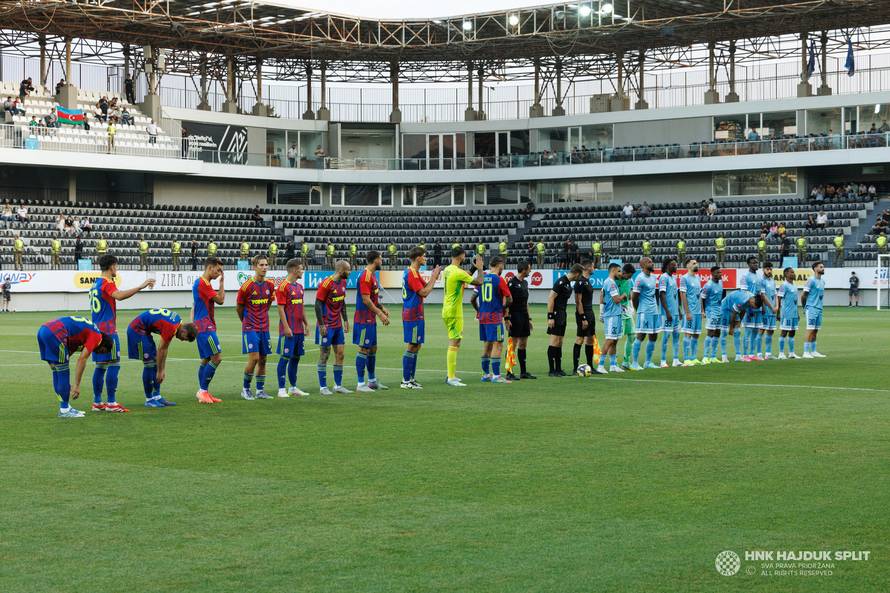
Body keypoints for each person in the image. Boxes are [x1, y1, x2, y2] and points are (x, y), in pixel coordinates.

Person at [90, 254, 155, 412]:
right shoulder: (107, 283)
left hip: (96, 330)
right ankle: (111, 403)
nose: (116, 269)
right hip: (108, 331)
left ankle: (97, 402)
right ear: (112, 266)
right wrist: (140, 286)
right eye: (116, 266)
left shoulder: (95, 284)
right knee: (114, 364)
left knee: (100, 365)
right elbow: (118, 296)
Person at [36, 316, 114, 418]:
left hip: (43, 329)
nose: (98, 353)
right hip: (55, 333)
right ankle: (64, 410)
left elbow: (70, 349)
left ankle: (65, 406)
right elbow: (82, 359)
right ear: (103, 344)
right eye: (102, 351)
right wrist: (76, 385)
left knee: (56, 370)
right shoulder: (97, 336)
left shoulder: (88, 332)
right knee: (63, 371)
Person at [126, 309, 197, 407]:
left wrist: (162, 369)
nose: (182, 340)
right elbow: (161, 349)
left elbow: (164, 349)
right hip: (137, 330)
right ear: (184, 331)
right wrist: (160, 371)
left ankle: (157, 396)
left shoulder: (177, 322)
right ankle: (149, 399)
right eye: (185, 338)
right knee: (149, 363)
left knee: (155, 360)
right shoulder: (171, 327)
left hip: (144, 330)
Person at [441, 247, 484, 387]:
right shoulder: (458, 272)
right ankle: (451, 377)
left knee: (456, 341)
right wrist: (481, 268)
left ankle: (451, 374)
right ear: (461, 256)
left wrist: (473, 267)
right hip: (453, 311)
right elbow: (479, 282)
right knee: (454, 342)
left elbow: (465, 275)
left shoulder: (448, 270)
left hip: (448, 308)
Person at [400, 247, 441, 389]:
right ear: (417, 258)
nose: (425, 258)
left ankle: (410, 378)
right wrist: (434, 277)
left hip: (416, 311)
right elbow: (424, 292)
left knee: (417, 345)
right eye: (424, 256)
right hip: (412, 313)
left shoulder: (414, 272)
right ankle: (405, 381)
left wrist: (433, 278)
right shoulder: (411, 273)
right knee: (412, 345)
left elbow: (426, 290)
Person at [237, 255, 276, 400]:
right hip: (250, 326)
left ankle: (260, 390)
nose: (264, 267)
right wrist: (245, 321)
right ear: (254, 267)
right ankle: (245, 389)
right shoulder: (246, 286)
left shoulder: (270, 285)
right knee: (254, 358)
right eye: (261, 265)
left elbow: (268, 304)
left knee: (264, 359)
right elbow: (239, 307)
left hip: (264, 327)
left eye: (266, 265)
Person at [470, 256, 513, 384]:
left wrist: (479, 310)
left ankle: (485, 374)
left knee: (487, 344)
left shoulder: (482, 278)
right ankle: (496, 375)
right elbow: (510, 299)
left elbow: (472, 299)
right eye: (503, 265)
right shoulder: (499, 279)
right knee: (498, 344)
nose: (503, 268)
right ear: (499, 265)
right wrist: (502, 307)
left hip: (483, 316)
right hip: (494, 316)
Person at [353, 251, 390, 392]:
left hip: (370, 318)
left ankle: (372, 381)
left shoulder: (372, 276)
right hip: (363, 319)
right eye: (381, 258)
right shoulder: (366, 276)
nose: (382, 261)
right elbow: (366, 300)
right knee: (363, 348)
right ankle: (360, 384)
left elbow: (372, 299)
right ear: (375, 260)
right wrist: (380, 314)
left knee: (372, 348)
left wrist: (381, 307)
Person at [275, 259, 310, 397]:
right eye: (301, 269)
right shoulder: (283, 286)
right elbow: (280, 309)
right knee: (285, 358)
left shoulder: (300, 287)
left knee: (296, 358)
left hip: (299, 330)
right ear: (295, 270)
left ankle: (293, 387)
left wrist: (306, 324)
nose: (302, 271)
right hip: (288, 331)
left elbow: (301, 307)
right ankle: (281, 389)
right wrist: (286, 327)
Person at [315, 260, 352, 395]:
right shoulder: (326, 284)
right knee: (324, 354)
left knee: (340, 354)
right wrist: (321, 324)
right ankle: (323, 387)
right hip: (327, 325)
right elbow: (318, 304)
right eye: (348, 269)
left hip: (337, 325)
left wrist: (346, 319)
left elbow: (342, 301)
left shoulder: (343, 282)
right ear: (341, 270)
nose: (350, 272)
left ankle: (338, 386)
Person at [193, 257, 225, 404]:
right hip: (205, 327)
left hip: (203, 325)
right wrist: (222, 283)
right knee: (217, 358)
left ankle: (203, 392)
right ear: (210, 267)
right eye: (218, 270)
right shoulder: (202, 283)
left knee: (206, 359)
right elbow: (221, 300)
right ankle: (203, 391)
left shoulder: (204, 284)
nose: (219, 273)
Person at [547, 264, 583, 376]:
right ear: (577, 273)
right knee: (554, 341)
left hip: (563, 314)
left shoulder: (568, 283)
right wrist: (550, 316)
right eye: (580, 274)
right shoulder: (561, 282)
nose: (580, 277)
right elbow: (551, 298)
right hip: (556, 314)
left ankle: (558, 368)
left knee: (559, 342)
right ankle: (551, 370)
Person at [629, 257, 661, 370]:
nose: (652, 263)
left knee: (654, 336)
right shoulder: (640, 278)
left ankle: (648, 362)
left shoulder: (653, 277)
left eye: (652, 261)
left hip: (654, 311)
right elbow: (634, 297)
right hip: (644, 311)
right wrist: (639, 311)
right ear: (642, 265)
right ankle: (634, 363)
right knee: (641, 336)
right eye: (649, 262)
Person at [597, 263, 628, 374]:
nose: (620, 273)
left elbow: (602, 296)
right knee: (610, 340)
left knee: (614, 341)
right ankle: (600, 365)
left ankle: (613, 365)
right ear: (613, 270)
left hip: (616, 314)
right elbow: (616, 300)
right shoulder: (611, 283)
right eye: (619, 271)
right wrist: (624, 296)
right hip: (611, 316)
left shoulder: (609, 282)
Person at [572, 260, 599, 374]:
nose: (594, 268)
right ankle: (575, 368)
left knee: (590, 339)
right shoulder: (580, 282)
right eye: (593, 266)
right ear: (588, 268)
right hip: (583, 314)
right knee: (580, 338)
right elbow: (578, 302)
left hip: (590, 312)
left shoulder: (587, 281)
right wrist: (583, 318)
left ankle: (590, 366)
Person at [721, 289, 761, 360]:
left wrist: (740, 321)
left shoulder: (751, 298)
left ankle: (738, 356)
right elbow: (733, 313)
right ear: (753, 301)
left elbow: (743, 310)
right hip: (726, 308)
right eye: (753, 306)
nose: (752, 307)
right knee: (724, 332)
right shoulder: (742, 300)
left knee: (738, 331)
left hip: (735, 308)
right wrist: (731, 328)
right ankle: (724, 356)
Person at [658, 257, 682, 368]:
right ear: (668, 265)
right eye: (674, 265)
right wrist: (667, 312)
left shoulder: (673, 278)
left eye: (676, 265)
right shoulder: (663, 277)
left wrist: (679, 310)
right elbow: (662, 295)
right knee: (666, 335)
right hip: (667, 313)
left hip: (675, 313)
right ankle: (663, 360)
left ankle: (676, 359)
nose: (676, 266)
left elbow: (675, 295)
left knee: (676, 336)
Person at [740, 257, 764, 361]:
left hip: (757, 309)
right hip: (749, 308)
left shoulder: (759, 277)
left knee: (755, 332)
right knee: (748, 332)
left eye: (757, 262)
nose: (756, 264)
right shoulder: (745, 277)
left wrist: (762, 306)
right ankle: (744, 355)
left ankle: (752, 354)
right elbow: (744, 294)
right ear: (748, 264)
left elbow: (760, 294)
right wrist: (747, 308)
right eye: (753, 263)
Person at [679, 258, 703, 365]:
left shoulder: (697, 278)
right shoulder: (684, 278)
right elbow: (683, 295)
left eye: (696, 263)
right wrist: (687, 312)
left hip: (698, 312)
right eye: (693, 263)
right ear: (688, 265)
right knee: (688, 334)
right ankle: (686, 358)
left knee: (696, 334)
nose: (696, 265)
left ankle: (693, 357)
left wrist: (702, 310)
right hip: (690, 311)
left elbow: (700, 295)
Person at [801, 260, 826, 358]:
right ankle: (805, 352)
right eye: (821, 267)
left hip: (819, 308)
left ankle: (814, 351)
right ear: (815, 269)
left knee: (815, 330)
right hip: (811, 308)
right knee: (810, 329)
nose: (823, 268)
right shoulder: (811, 280)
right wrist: (805, 307)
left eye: (823, 267)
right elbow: (803, 295)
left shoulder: (823, 281)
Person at [701, 266, 725, 363]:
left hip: (719, 310)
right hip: (711, 310)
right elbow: (702, 298)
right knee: (710, 332)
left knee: (718, 332)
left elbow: (722, 295)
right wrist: (703, 311)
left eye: (720, 272)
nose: (720, 274)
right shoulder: (708, 285)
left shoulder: (721, 283)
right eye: (718, 273)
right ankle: (705, 357)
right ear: (713, 274)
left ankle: (713, 356)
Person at [776, 267, 799, 359]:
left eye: (794, 272)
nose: (793, 274)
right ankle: (781, 353)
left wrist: (797, 313)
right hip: (786, 313)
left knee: (792, 332)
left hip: (793, 314)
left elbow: (795, 301)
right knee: (784, 332)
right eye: (791, 272)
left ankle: (791, 353)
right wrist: (778, 312)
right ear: (786, 274)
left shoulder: (794, 285)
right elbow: (779, 298)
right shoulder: (784, 285)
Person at [617, 263, 636, 368]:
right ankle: (612, 362)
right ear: (624, 272)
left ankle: (626, 362)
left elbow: (629, 295)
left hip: (626, 311)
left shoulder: (629, 281)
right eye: (630, 275)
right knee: (615, 338)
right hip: (617, 312)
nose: (630, 277)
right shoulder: (615, 280)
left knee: (632, 335)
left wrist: (631, 306)